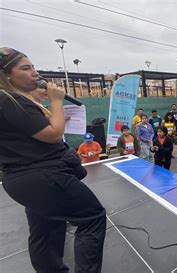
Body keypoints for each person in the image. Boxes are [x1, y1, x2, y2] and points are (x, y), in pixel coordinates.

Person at [0, 47, 106, 272]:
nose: (34, 73)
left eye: (33, 67)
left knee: (45, 230)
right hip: (44, 175)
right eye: (26, 68)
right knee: (92, 217)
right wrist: (57, 101)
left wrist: (48, 108)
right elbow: (53, 134)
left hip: (21, 179)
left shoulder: (13, 99)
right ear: (7, 75)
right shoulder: (10, 100)